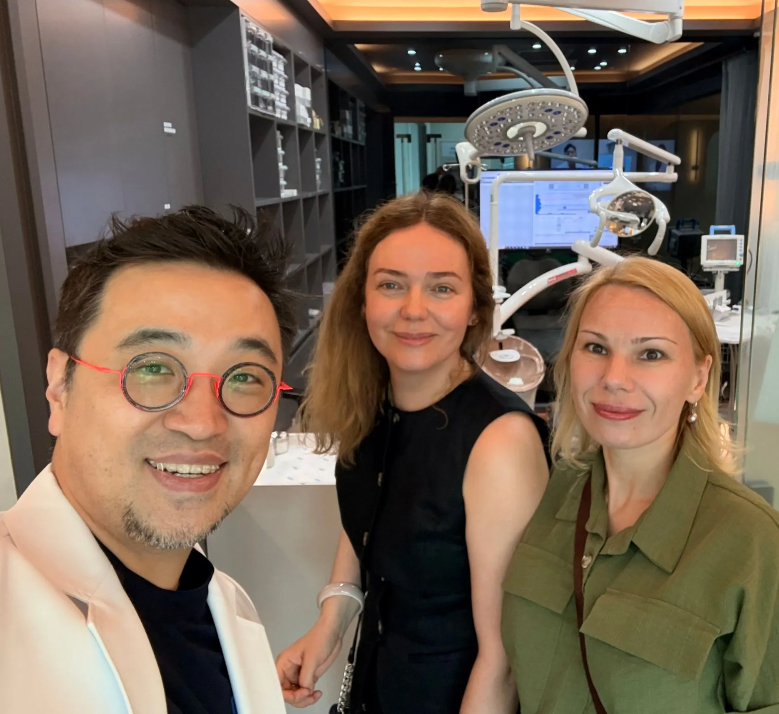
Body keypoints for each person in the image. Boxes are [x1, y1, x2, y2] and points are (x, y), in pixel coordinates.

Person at [0, 206, 295, 714]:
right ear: (58, 386)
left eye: (245, 376)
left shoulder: (225, 607)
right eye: (153, 366)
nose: (203, 422)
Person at [276, 191, 550, 714]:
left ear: (474, 309)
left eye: (441, 288)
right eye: (391, 285)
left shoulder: (499, 442)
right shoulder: (373, 404)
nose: (413, 310)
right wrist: (332, 620)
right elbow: (371, 521)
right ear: (362, 300)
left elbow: (504, 657)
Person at [502, 257, 779, 714]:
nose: (614, 378)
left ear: (698, 376)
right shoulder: (551, 491)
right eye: (595, 348)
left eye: (651, 354)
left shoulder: (751, 542)